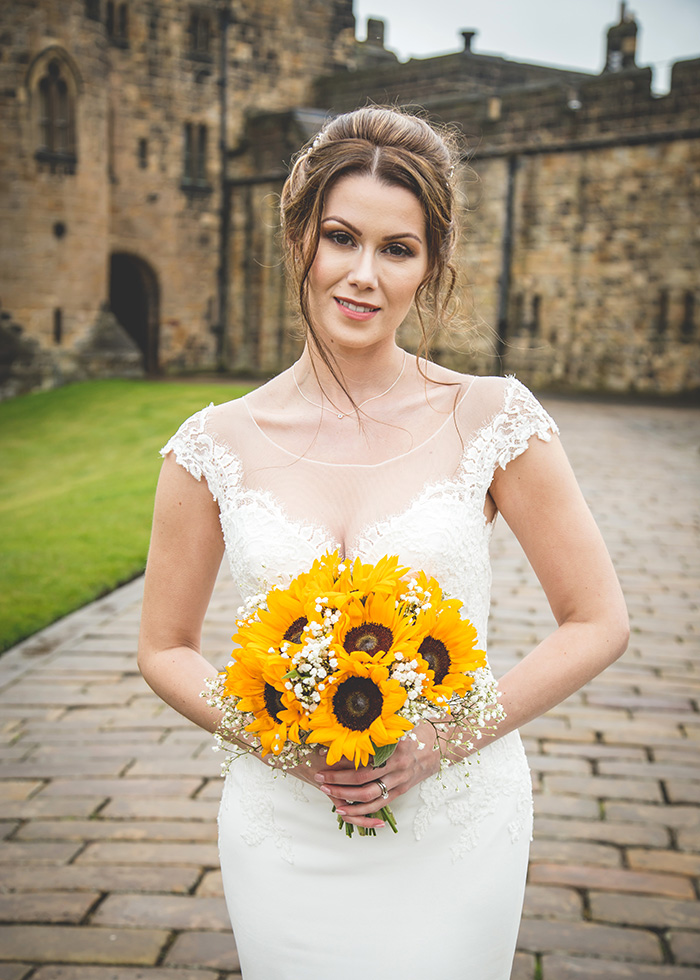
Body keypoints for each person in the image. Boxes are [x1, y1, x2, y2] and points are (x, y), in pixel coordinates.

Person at [138, 106, 629, 980]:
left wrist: (443, 738)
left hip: (457, 814)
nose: (363, 275)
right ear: (301, 241)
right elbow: (164, 648)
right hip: (283, 821)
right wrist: (282, 742)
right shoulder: (211, 443)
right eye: (341, 238)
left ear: (430, 266)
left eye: (397, 249)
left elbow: (598, 621)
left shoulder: (492, 417)